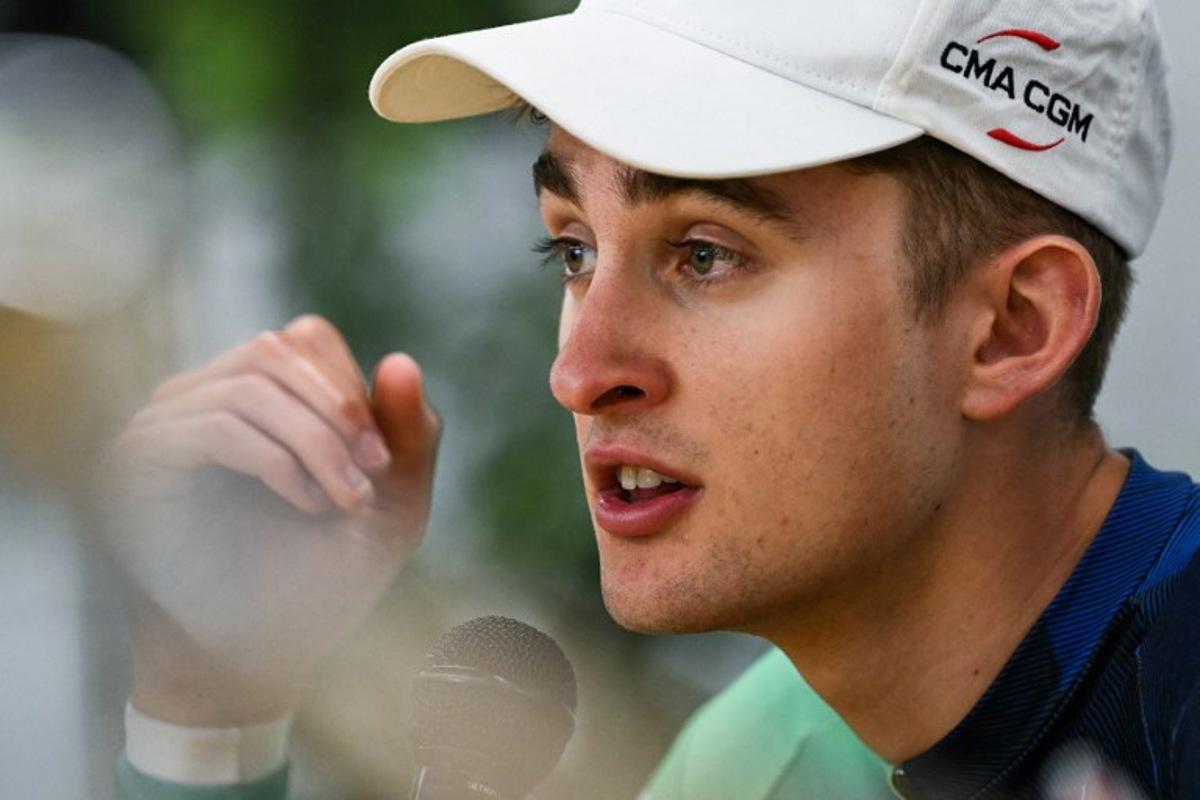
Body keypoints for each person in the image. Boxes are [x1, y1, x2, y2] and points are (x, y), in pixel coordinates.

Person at [108, 0, 1200, 798]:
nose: (580, 373)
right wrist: (210, 707)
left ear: (1014, 326)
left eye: (707, 254)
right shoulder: (757, 762)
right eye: (573, 251)